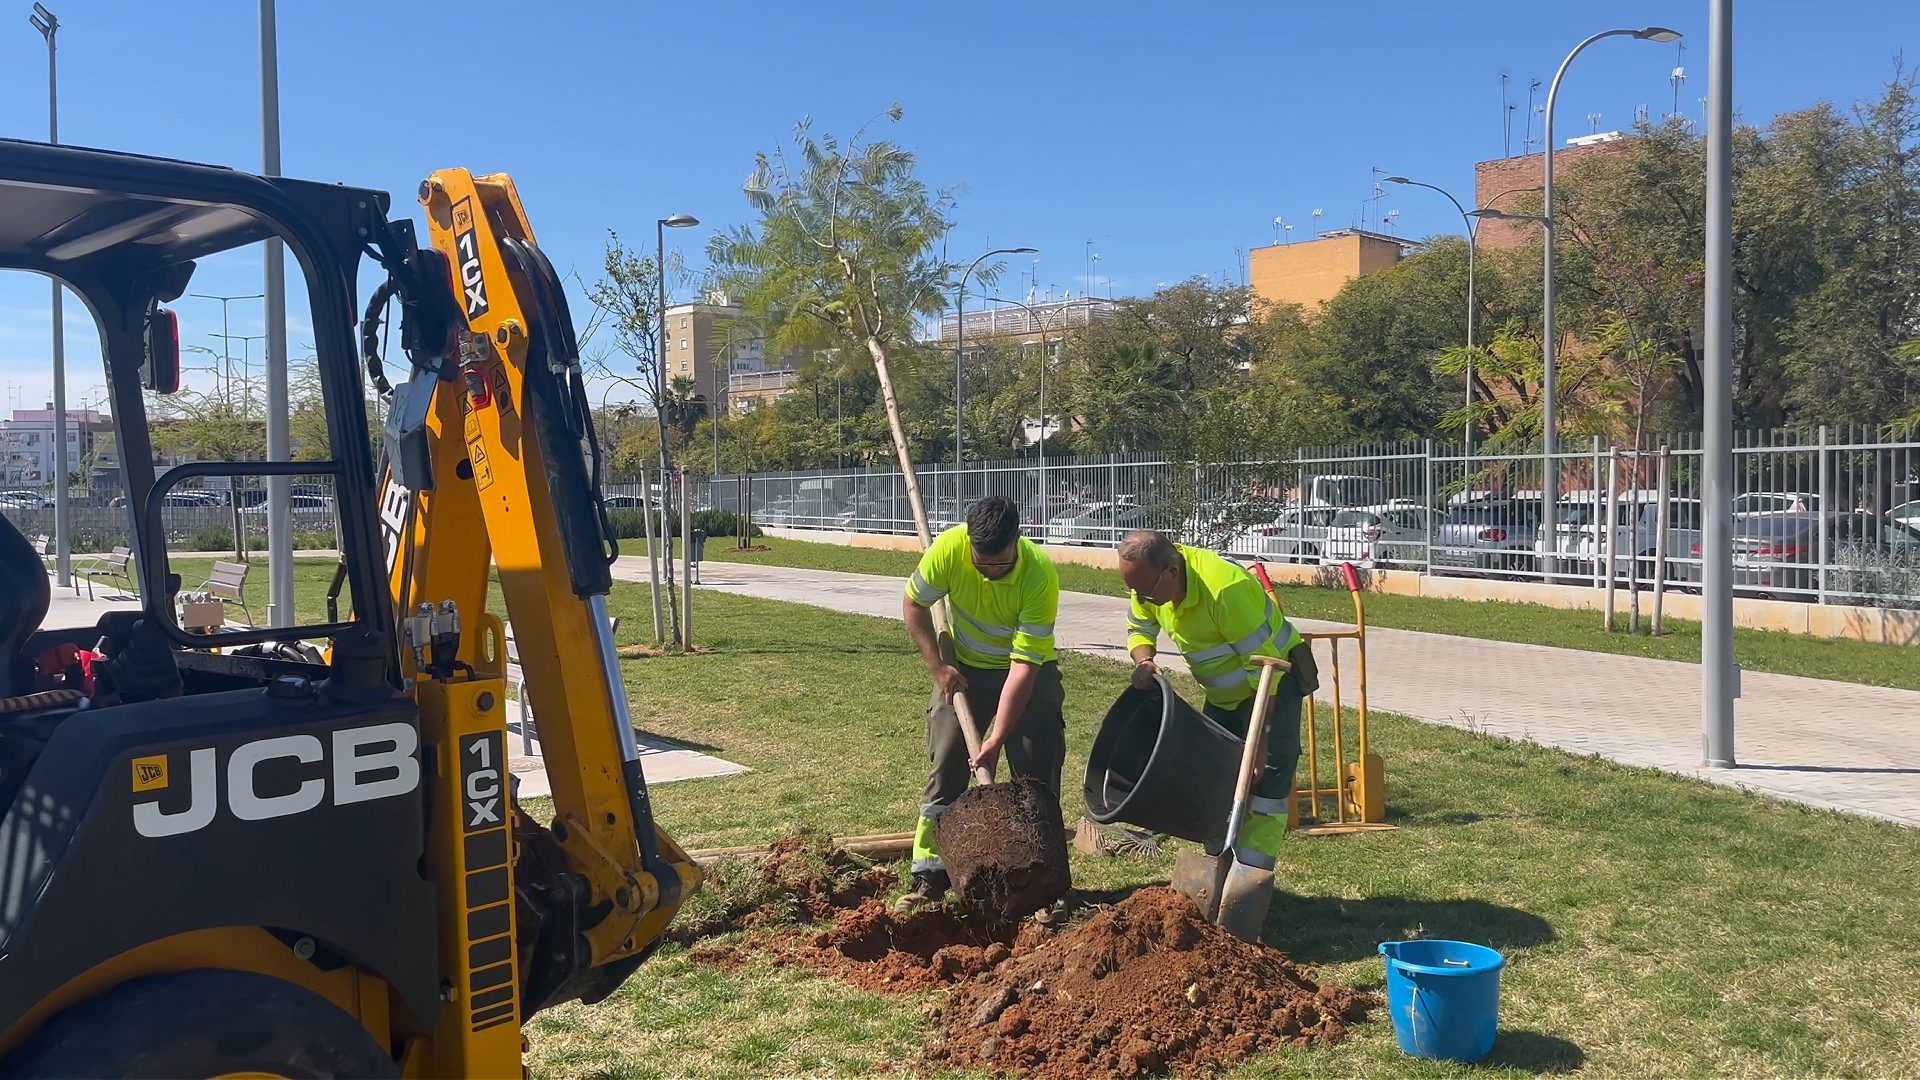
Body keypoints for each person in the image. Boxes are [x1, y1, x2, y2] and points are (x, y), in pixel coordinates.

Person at [899, 495, 1065, 911]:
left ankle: (1046, 886)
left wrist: (996, 739)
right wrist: (937, 667)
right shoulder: (949, 550)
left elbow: (1024, 667)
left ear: (1017, 541)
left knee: (1036, 772)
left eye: (999, 563)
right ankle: (930, 876)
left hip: (1029, 672)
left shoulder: (1039, 574)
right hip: (964, 670)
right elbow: (914, 603)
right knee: (948, 761)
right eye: (981, 562)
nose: (990, 571)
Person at [1117, 530, 1318, 868]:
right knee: (1212, 774)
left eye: (1146, 591)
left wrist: (1261, 742)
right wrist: (1143, 660)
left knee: (1266, 778)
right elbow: (1139, 628)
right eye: (1133, 591)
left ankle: (1251, 875)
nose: (1142, 599)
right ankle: (1218, 862)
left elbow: (1265, 670)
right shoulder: (1147, 584)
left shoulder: (1224, 589)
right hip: (1223, 696)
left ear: (1172, 571)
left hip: (1274, 686)